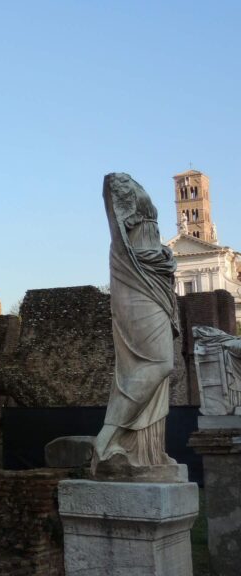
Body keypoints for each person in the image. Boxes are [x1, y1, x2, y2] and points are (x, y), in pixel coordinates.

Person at [93, 173, 178, 473]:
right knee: (159, 362)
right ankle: (106, 437)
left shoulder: (135, 189)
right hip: (136, 274)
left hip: (155, 272)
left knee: (160, 370)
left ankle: (147, 453)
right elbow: (116, 213)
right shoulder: (117, 182)